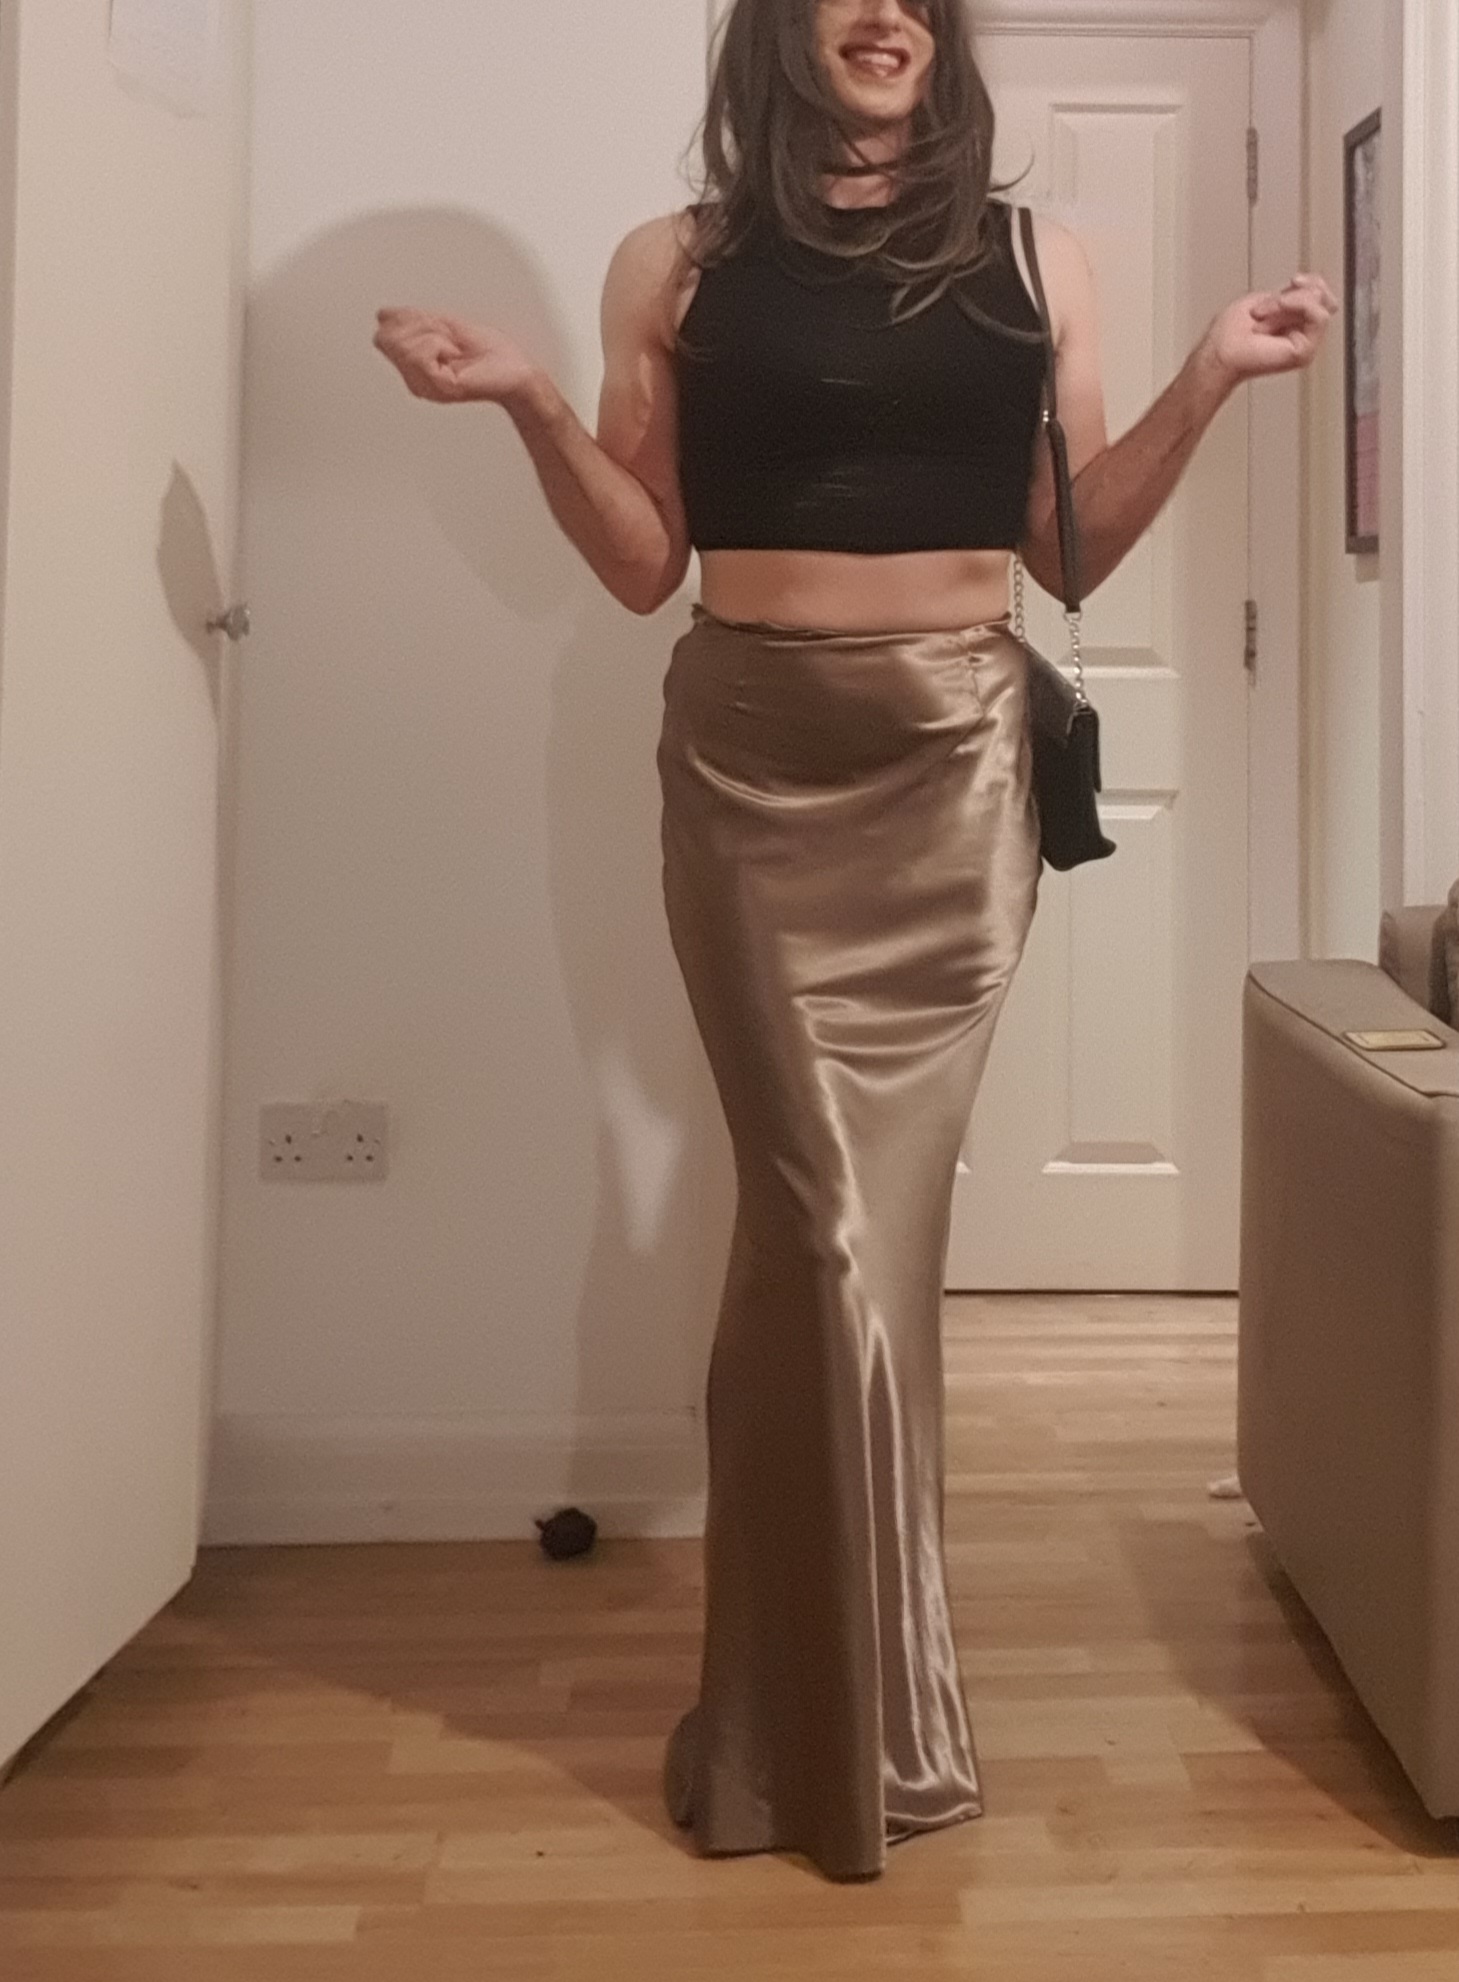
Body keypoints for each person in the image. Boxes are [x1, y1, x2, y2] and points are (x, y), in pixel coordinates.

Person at [373, 0, 1336, 1884]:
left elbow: (1070, 551)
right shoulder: (678, 261)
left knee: (842, 1239)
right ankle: (825, 1723)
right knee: (814, 1224)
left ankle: (811, 1724)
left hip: (953, 766)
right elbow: (642, 562)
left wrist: (1212, 374)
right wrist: (531, 404)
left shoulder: (1040, 257)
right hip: (748, 759)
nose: (888, 8)